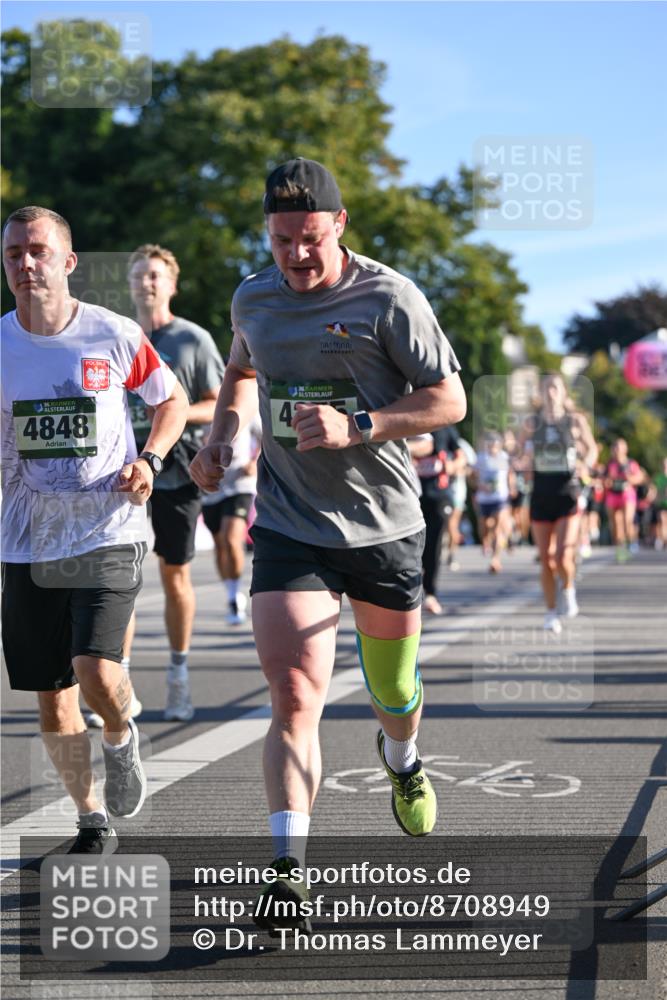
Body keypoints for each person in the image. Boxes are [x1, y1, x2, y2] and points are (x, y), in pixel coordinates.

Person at [190, 158, 466, 932]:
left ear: (338, 226)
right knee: (293, 695)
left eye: (310, 239)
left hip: (384, 527)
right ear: (266, 236)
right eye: (282, 242)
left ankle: (402, 759)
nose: (297, 257)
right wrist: (219, 440)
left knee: (394, 695)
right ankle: (287, 873)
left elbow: (450, 399)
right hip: (288, 523)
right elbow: (242, 370)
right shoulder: (254, 297)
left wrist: (361, 426)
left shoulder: (387, 297)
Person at [1, 206, 188, 853]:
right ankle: (90, 818)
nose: (26, 264)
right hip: (26, 537)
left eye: (39, 251)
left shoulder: (112, 334)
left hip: (109, 526)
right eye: (14, 253)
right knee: (52, 698)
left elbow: (171, 400)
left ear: (68, 261)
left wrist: (152, 458)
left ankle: (120, 733)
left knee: (95, 671)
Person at [115, 244, 226, 724]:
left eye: (156, 275)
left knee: (173, 573)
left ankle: (178, 677)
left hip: (176, 469)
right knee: (121, 579)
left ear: (172, 283)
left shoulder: (192, 339)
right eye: (139, 275)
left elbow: (218, 403)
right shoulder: (115, 336)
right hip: (120, 474)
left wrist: (171, 414)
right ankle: (117, 685)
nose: (147, 282)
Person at [520, 373, 597, 632]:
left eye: (555, 387)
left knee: (564, 555)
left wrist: (586, 462)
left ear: (564, 393)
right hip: (541, 494)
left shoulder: (575, 421)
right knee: (546, 559)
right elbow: (518, 452)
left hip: (567, 492)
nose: (550, 392)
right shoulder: (532, 423)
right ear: (541, 394)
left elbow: (593, 449)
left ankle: (569, 588)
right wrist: (519, 461)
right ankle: (551, 612)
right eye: (546, 388)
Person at [201, 414, 261, 624]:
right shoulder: (203, 409)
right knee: (220, 545)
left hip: (240, 483)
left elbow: (265, 437)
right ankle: (230, 592)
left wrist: (255, 461)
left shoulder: (243, 407)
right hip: (211, 487)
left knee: (231, 539)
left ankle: (236, 596)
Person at [410, 427, 463, 613]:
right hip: (411, 495)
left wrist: (453, 466)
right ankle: (412, 591)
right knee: (413, 547)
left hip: (439, 495)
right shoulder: (410, 423)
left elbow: (461, 457)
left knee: (434, 543)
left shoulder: (446, 429)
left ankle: (430, 593)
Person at [472, 432, 513, 573]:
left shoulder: (504, 457)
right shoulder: (481, 459)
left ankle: (496, 559)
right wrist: (480, 485)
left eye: (495, 445)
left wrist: (512, 487)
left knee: (497, 528)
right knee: (484, 527)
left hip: (500, 497)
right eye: (490, 445)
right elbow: (472, 476)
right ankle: (485, 542)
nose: (493, 448)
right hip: (484, 498)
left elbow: (510, 473)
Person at [603, 438, 643, 563]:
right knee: (615, 524)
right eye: (615, 447)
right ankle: (620, 548)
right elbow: (604, 480)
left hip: (627, 494)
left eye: (619, 447)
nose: (616, 450)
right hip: (612, 495)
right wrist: (607, 482)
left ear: (625, 449)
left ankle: (631, 541)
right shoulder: (610, 464)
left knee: (627, 521)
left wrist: (630, 479)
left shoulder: (631, 463)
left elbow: (640, 478)